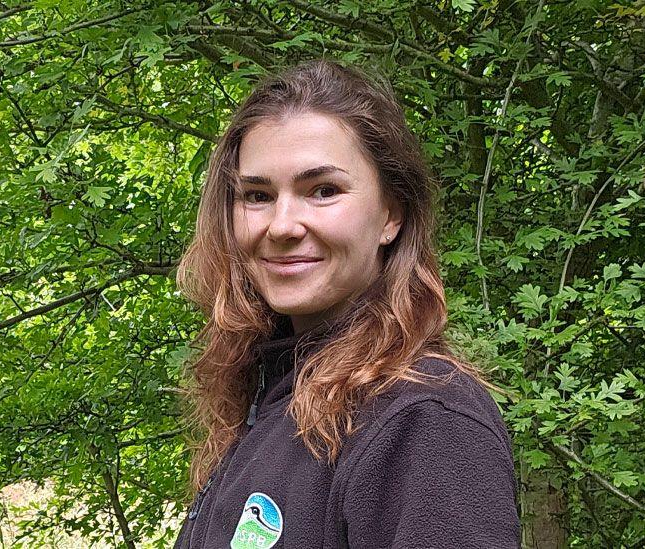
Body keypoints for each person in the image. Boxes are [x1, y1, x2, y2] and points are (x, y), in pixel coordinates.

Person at [173, 59, 520, 548]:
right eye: (256, 195)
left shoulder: (424, 423)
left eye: (324, 191)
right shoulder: (270, 398)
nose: (282, 225)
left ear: (391, 215)